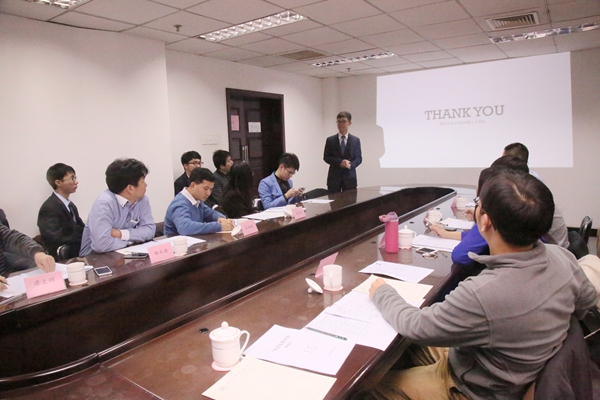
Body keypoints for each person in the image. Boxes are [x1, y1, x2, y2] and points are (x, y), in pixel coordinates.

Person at [368, 169, 598, 400]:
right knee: (405, 350)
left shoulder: (483, 292)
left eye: (478, 204)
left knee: (370, 387)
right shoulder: (563, 257)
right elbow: (585, 303)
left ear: (485, 221)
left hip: (477, 389)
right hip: (503, 367)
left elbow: (415, 325)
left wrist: (382, 292)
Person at [431, 156, 569, 266]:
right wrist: (447, 234)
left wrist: (481, 221)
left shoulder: (480, 288)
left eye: (478, 201)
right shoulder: (564, 261)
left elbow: (460, 256)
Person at [80, 158, 155, 256]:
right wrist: (132, 240)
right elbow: (102, 245)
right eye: (143, 181)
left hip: (126, 254)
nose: (146, 185)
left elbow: (150, 230)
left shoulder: (142, 200)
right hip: (95, 258)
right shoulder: (104, 204)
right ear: (130, 188)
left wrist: (120, 234)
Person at [164, 168, 234, 235]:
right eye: (205, 189)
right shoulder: (180, 204)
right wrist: (219, 226)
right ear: (193, 185)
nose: (208, 193)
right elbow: (184, 227)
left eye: (211, 189)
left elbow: (210, 213)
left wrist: (220, 218)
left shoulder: (197, 200)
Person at [37, 163, 85, 260]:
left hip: (78, 253)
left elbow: (82, 228)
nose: (76, 182)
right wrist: (79, 235)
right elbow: (54, 238)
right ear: (58, 183)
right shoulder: (49, 208)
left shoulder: (71, 206)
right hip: (62, 259)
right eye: (72, 178)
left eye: (75, 178)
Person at [323, 111, 362, 193]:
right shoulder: (330, 140)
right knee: (334, 200)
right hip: (334, 178)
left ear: (349, 123)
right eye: (339, 122)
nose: (341, 124)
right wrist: (340, 162)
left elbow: (358, 158)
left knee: (350, 200)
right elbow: (326, 157)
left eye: (344, 121)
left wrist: (350, 164)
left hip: (350, 178)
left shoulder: (355, 140)